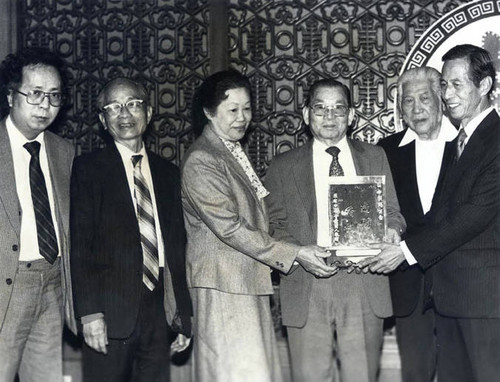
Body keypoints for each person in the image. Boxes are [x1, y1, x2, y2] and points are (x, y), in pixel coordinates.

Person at [181, 70, 336, 382]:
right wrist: (295, 252)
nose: (242, 118)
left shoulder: (230, 151)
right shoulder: (202, 159)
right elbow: (230, 228)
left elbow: (261, 213)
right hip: (223, 284)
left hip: (245, 280)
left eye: (247, 108)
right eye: (233, 110)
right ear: (209, 112)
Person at [360, 44, 500, 381]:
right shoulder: (469, 137)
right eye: (445, 85)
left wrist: (405, 251)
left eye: (456, 85)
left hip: (483, 296)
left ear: (484, 86)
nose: (447, 95)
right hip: (450, 295)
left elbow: (472, 215)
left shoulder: (492, 139)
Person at [265, 78, 406, 382]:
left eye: (338, 109)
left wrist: (393, 230)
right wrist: (300, 254)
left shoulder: (374, 156)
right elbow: (272, 225)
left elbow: (394, 213)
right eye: (320, 108)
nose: (329, 117)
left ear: (351, 116)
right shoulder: (281, 166)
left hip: (363, 283)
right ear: (305, 114)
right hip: (307, 284)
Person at [70, 77, 192, 382]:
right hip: (109, 311)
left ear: (148, 113)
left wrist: (184, 316)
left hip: (159, 308)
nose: (125, 114)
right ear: (102, 119)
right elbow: (81, 246)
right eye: (114, 107)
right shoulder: (88, 169)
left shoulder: (168, 173)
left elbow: (177, 248)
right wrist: (90, 314)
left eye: (133, 104)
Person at [0, 48, 76, 382]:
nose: (45, 105)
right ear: (10, 96)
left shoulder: (64, 151)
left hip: (53, 281)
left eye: (54, 96)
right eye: (35, 94)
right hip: (7, 284)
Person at [378, 66, 457, 382]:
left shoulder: (468, 145)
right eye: (407, 101)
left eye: (425, 97)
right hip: (408, 286)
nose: (416, 108)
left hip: (461, 283)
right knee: (415, 374)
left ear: (441, 97)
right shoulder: (386, 151)